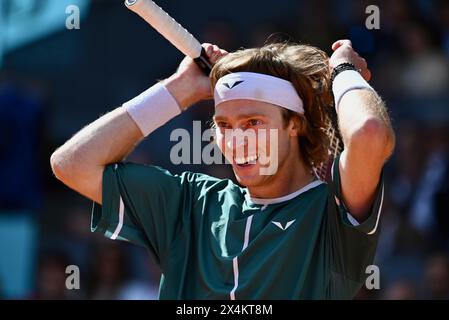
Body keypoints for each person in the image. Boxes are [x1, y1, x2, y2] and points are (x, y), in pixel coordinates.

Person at [51, 39, 395, 299]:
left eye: (253, 122)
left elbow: (368, 133)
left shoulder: (331, 212)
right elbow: (72, 164)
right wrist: (179, 90)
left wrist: (344, 74)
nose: (237, 139)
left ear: (295, 124)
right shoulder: (189, 201)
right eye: (224, 125)